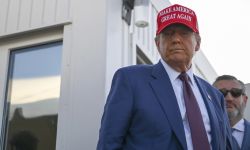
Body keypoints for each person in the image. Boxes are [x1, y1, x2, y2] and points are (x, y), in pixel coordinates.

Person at [97, 4, 233, 150]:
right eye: (168, 33)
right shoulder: (130, 80)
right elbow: (109, 143)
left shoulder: (215, 96)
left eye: (184, 33)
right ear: (157, 43)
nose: (176, 39)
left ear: (198, 43)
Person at [213, 75, 250, 150]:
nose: (229, 98)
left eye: (236, 92)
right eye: (221, 93)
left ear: (245, 100)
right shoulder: (198, 132)